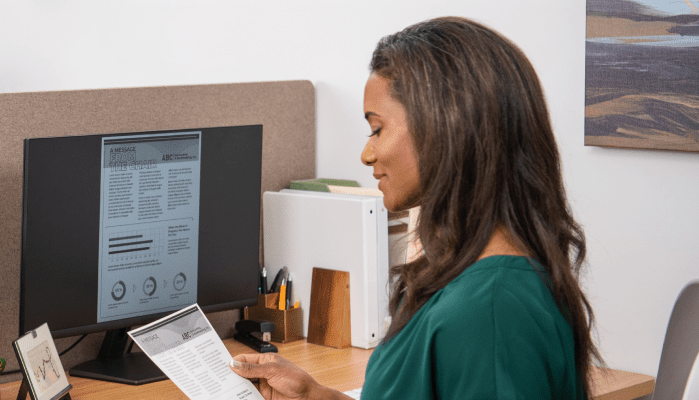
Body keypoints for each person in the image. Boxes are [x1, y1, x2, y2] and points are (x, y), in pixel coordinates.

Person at [230, 17, 600, 400]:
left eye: (377, 129)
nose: (366, 153)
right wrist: (312, 394)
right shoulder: (470, 276)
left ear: (445, 128)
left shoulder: (489, 310)